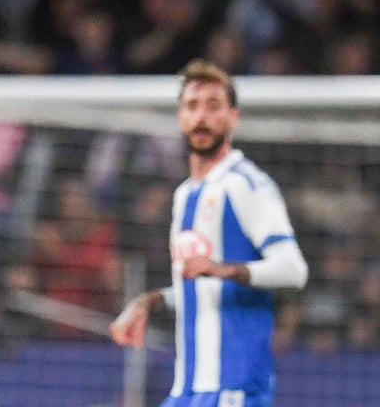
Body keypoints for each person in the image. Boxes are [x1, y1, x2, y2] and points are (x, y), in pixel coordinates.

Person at [110, 59, 309, 407]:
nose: (201, 117)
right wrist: (151, 301)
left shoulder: (247, 185)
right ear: (180, 117)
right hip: (187, 390)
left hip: (232, 389)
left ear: (234, 116)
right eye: (192, 106)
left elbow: (293, 269)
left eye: (213, 107)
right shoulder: (185, 194)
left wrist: (223, 268)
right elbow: (202, 286)